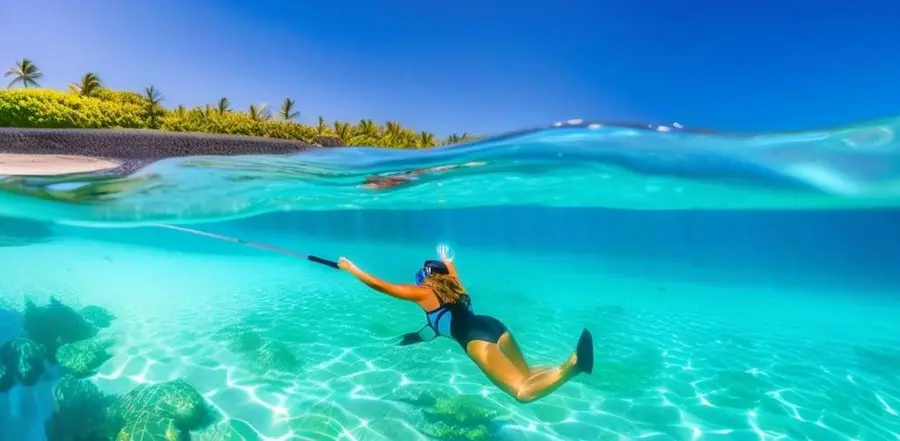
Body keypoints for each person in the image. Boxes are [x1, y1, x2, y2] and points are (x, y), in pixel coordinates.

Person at [337, 244, 594, 403]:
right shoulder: (455, 286)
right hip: (495, 326)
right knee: (526, 372)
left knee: (521, 393)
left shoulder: (425, 294)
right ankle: (563, 365)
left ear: (426, 279)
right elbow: (436, 327)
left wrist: (351, 268)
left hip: (477, 341)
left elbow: (381, 286)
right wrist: (448, 260)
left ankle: (573, 366)